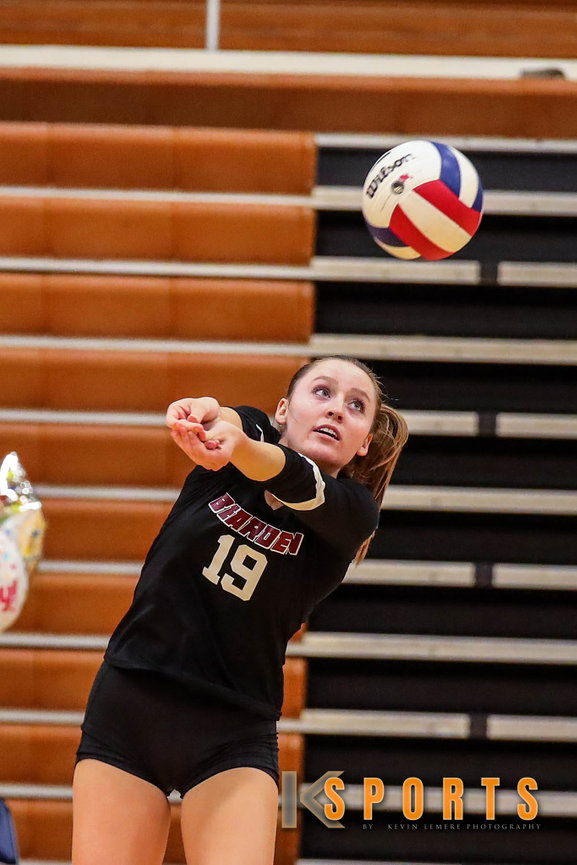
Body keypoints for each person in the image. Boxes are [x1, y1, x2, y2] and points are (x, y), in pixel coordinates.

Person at [71, 355, 408, 865]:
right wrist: (206, 413)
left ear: (363, 442)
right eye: (321, 392)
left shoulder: (352, 513)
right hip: (133, 698)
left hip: (232, 729)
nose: (337, 409)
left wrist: (241, 448)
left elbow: (297, 480)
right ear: (282, 409)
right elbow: (228, 418)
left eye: (355, 406)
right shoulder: (244, 433)